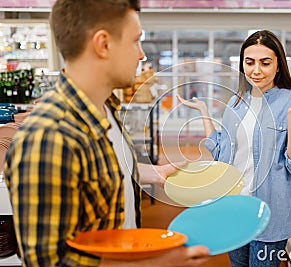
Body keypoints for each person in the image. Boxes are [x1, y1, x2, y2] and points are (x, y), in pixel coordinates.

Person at [3, 0, 210, 266]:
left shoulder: (107, 109)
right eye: (136, 41)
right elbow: (50, 261)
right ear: (103, 44)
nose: (141, 55)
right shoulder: (48, 135)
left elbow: (102, 173)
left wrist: (154, 173)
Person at [177, 30, 291, 267]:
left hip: (269, 214)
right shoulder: (237, 102)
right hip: (233, 210)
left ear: (278, 66)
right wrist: (205, 112)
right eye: (249, 62)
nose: (256, 70)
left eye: (265, 63)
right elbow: (220, 151)